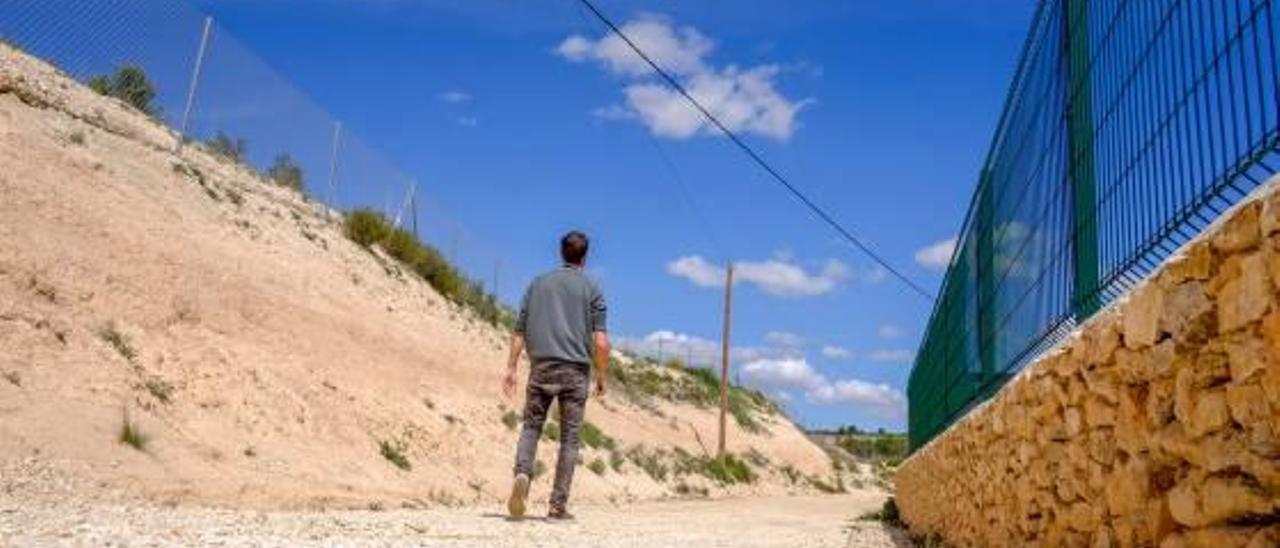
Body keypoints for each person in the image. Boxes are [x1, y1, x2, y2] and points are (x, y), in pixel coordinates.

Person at [502, 230, 609, 520]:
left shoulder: (537, 284)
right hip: (575, 371)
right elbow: (601, 341)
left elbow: (519, 331)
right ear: (584, 257)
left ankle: (522, 474)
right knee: (570, 439)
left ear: (561, 253)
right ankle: (557, 506)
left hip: (541, 367)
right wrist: (601, 376)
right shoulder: (592, 288)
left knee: (531, 427)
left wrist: (511, 368)